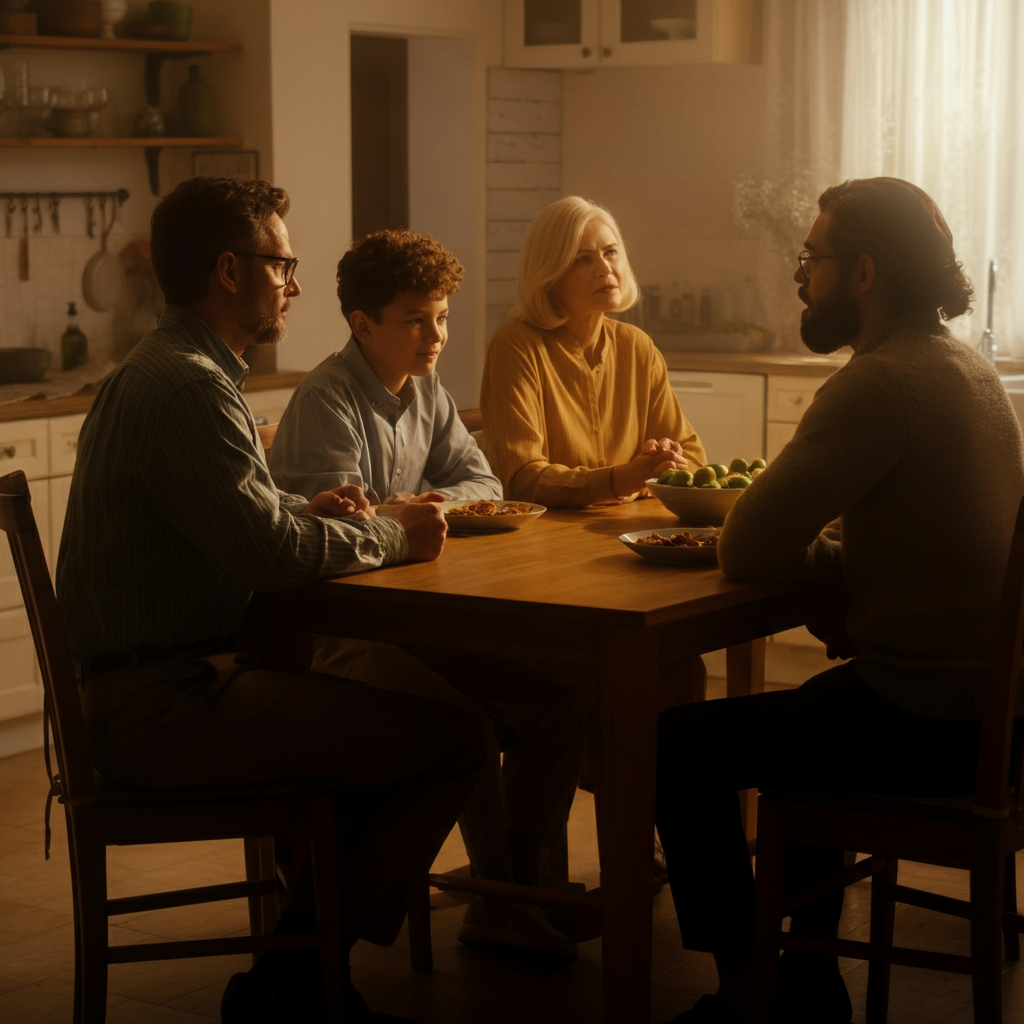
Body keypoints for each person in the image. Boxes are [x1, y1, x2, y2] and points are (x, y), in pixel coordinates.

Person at [55, 177, 490, 1024]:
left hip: (161, 688)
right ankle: (301, 975)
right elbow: (271, 555)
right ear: (230, 270)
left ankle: (295, 974)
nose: (292, 284)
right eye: (282, 264)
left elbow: (250, 522)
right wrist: (396, 534)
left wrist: (304, 507)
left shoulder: (176, 370)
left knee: (387, 730)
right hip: (163, 708)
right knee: (451, 740)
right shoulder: (188, 386)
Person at [654, 177, 1024, 1024]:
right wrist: (838, 564)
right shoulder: (970, 370)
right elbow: (906, 546)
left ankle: (749, 993)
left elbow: (748, 546)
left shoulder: (881, 382)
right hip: (995, 726)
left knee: (675, 744)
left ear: (862, 273)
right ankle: (811, 981)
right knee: (814, 721)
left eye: (811, 258)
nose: (800, 276)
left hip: (929, 722)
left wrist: (820, 561)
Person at [269, 228, 587, 960]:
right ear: (362, 324)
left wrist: (422, 503)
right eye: (417, 319)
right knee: (462, 721)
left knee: (558, 708)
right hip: (342, 634)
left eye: (441, 317)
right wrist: (405, 513)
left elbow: (485, 484)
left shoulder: (426, 391)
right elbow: (332, 535)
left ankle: (520, 883)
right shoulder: (327, 398)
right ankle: (503, 900)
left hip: (421, 617)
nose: (436, 335)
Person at [480, 194, 707, 508]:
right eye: (582, 259)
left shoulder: (637, 346)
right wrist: (617, 480)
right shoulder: (515, 347)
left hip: (627, 530)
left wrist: (659, 466)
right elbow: (520, 479)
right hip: (547, 541)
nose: (605, 269)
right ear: (549, 275)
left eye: (611, 252)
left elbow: (694, 460)